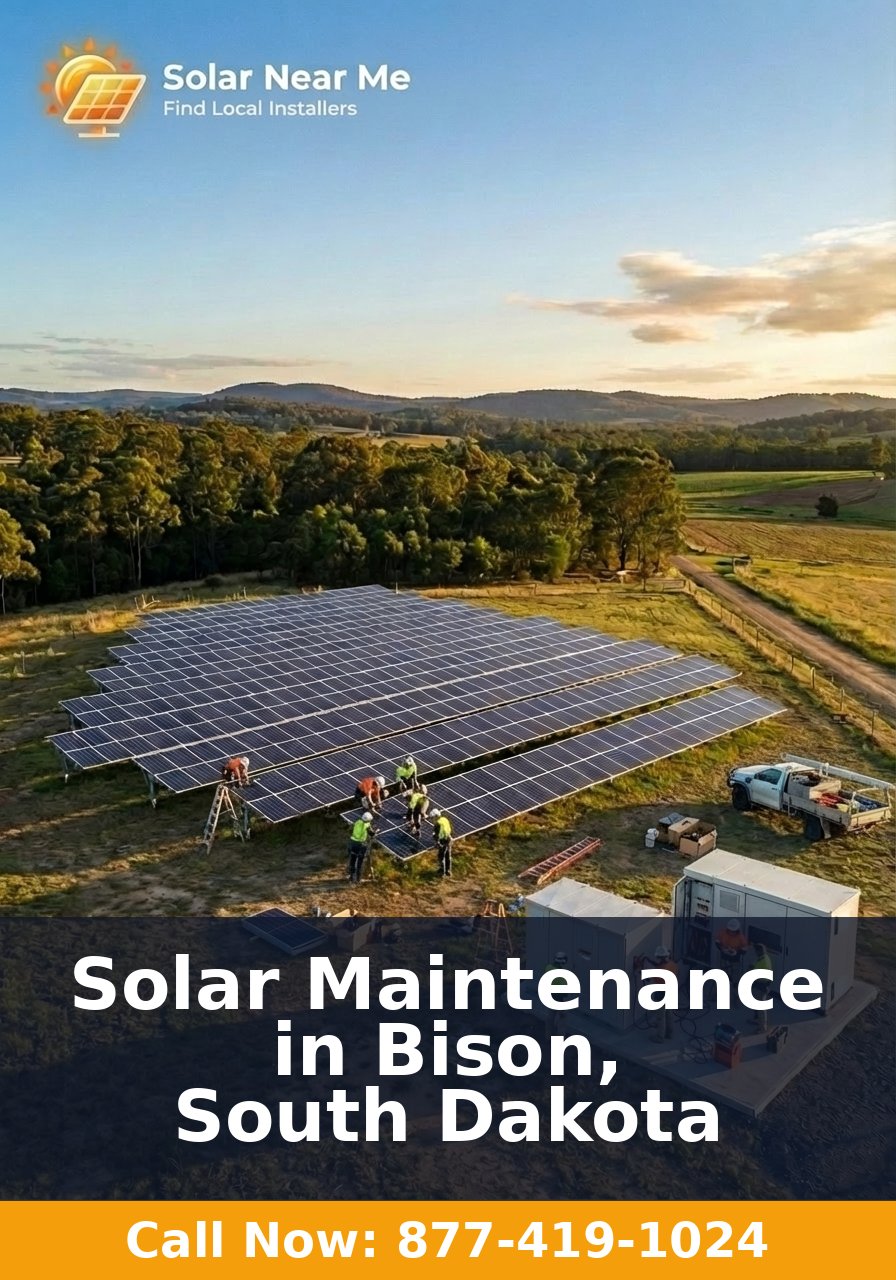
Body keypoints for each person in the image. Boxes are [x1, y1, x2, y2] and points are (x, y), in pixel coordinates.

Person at [648, 945, 679, 1043]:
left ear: (660, 958)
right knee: (669, 1014)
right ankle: (670, 1033)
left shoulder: (659, 970)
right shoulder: (672, 964)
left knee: (661, 1017)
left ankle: (660, 1037)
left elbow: (650, 978)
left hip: (661, 994)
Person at [750, 943, 774, 1033]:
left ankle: (762, 1028)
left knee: (761, 1008)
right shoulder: (765, 958)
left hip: (761, 986)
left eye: (756, 951)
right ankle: (757, 1020)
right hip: (761, 985)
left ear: (759, 951)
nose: (755, 953)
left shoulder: (763, 961)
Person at [347, 812, 374, 884]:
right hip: (361, 844)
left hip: (352, 843)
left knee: (352, 860)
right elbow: (371, 833)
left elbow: (351, 830)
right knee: (360, 862)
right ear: (368, 820)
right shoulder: (367, 825)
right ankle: (358, 879)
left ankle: (351, 877)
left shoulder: (357, 822)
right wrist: (375, 832)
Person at [430, 809, 453, 877]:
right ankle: (448, 871)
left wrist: (437, 843)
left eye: (432, 818)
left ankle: (442, 872)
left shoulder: (437, 824)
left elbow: (436, 835)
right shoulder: (444, 819)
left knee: (441, 856)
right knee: (448, 856)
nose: (432, 819)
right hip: (449, 839)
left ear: (436, 816)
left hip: (443, 841)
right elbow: (449, 828)